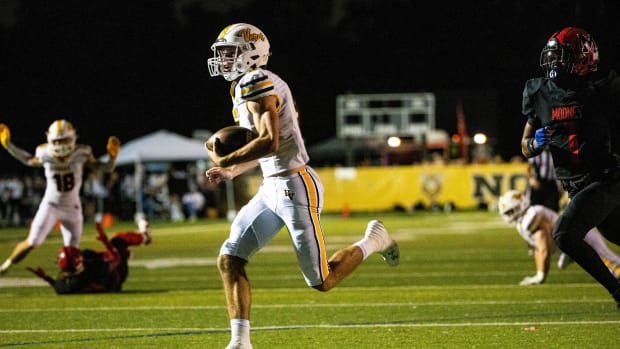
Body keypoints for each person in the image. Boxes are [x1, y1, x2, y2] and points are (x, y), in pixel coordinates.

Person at [205, 23, 399, 349]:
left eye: (229, 52)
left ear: (250, 54)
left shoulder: (258, 82)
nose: (223, 59)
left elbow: (269, 141)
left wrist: (226, 160)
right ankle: (240, 342)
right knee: (230, 258)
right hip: (271, 186)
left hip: (296, 186)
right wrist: (234, 170)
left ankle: (373, 241)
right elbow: (266, 149)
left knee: (322, 280)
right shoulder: (247, 86)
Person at [520, 27, 620, 309]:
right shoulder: (540, 92)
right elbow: (525, 145)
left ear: (584, 58)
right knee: (615, 235)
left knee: (564, 235)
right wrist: (535, 144)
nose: (554, 64)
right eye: (552, 57)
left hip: (605, 179)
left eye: (561, 58)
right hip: (576, 188)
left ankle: (618, 291)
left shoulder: (601, 87)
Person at [0, 120, 120, 275]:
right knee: (33, 242)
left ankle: (71, 284)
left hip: (73, 208)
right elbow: (28, 160)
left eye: (65, 140)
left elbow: (106, 168)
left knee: (72, 253)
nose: (61, 144)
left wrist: (112, 158)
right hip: (51, 206)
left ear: (73, 138)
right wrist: (9, 145)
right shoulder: (45, 153)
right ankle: (5, 266)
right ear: (50, 140)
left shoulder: (81, 153)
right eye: (57, 141)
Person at [499, 190, 620, 285]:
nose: (510, 216)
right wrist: (538, 273)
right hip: (572, 243)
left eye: (511, 211)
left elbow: (543, 248)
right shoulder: (523, 222)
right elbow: (537, 248)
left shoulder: (531, 216)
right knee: (606, 272)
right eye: (507, 213)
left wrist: (541, 275)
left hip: (582, 238)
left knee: (614, 267)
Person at [27, 219, 152, 294]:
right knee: (118, 241)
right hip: (116, 277)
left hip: (105, 280)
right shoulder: (93, 271)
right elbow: (116, 260)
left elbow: (58, 286)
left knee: (94, 254)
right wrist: (105, 242)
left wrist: (46, 278)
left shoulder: (65, 285)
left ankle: (127, 250)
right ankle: (145, 237)